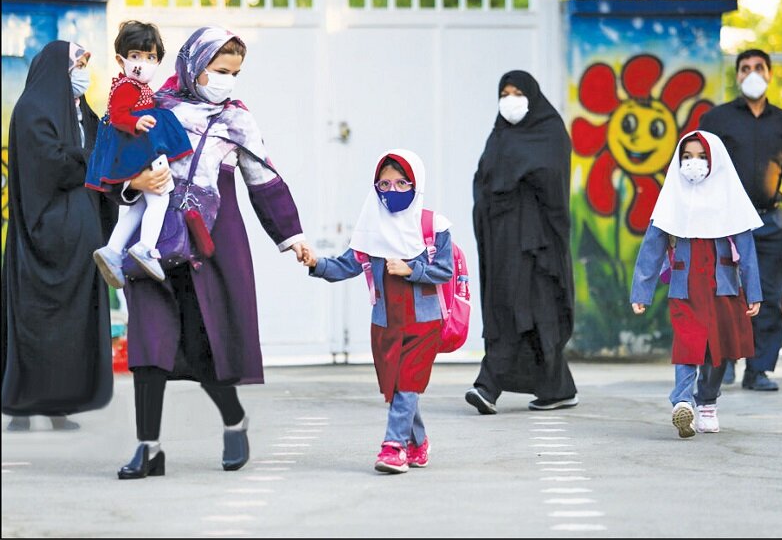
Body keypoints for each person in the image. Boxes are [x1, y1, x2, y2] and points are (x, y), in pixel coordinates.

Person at [110, 26, 308, 479]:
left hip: (209, 244)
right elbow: (115, 164)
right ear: (194, 66)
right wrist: (131, 185)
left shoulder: (239, 120)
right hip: (152, 244)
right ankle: (149, 448)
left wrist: (293, 237)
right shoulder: (152, 107)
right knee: (149, 345)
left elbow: (266, 183)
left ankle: (234, 420)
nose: (227, 81)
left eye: (235, 73)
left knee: (205, 346)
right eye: (220, 71)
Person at [302, 149, 453, 474]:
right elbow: (346, 265)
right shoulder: (371, 229)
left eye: (402, 184)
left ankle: (393, 447)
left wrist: (411, 269)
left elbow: (445, 270)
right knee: (397, 387)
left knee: (407, 384)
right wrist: (316, 263)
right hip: (385, 323)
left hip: (424, 323)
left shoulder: (433, 225)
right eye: (384, 185)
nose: (392, 192)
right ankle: (418, 442)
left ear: (416, 185)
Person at [2, 41, 116, 431]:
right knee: (37, 321)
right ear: (57, 68)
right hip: (42, 239)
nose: (84, 72)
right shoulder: (34, 112)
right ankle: (22, 406)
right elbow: (53, 167)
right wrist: (87, 156)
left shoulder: (80, 111)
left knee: (70, 326)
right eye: (78, 64)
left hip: (78, 240)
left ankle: (57, 407)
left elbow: (105, 151)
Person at [631, 131, 763, 438]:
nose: (694, 163)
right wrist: (642, 291)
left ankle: (707, 402)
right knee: (688, 344)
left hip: (723, 288)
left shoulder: (731, 198)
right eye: (687, 157)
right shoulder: (672, 197)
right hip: (684, 286)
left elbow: (747, 248)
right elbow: (653, 245)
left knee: (720, 351)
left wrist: (753, 291)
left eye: (701, 156)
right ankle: (682, 402)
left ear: (715, 160)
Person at [465, 70, 578, 415]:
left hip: (537, 243)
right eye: (504, 93)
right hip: (503, 241)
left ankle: (488, 385)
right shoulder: (499, 136)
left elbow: (553, 182)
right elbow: (485, 180)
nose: (510, 100)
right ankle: (558, 387)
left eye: (517, 92)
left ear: (532, 96)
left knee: (518, 308)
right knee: (527, 309)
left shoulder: (550, 132)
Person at [699, 49, 782, 391]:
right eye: (745, 68)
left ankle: (758, 369)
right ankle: (721, 362)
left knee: (768, 297)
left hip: (769, 223)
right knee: (722, 294)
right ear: (737, 76)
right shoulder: (716, 120)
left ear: (769, 74)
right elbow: (695, 170)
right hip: (724, 225)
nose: (752, 73)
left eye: (759, 67)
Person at [87, 20, 193, 286]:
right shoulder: (126, 86)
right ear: (120, 59)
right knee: (160, 196)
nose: (142, 62)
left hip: (138, 149)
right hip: (142, 149)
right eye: (135, 56)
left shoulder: (138, 87)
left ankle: (112, 250)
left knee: (140, 204)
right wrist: (136, 122)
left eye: (150, 57)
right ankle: (146, 246)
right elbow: (119, 115)